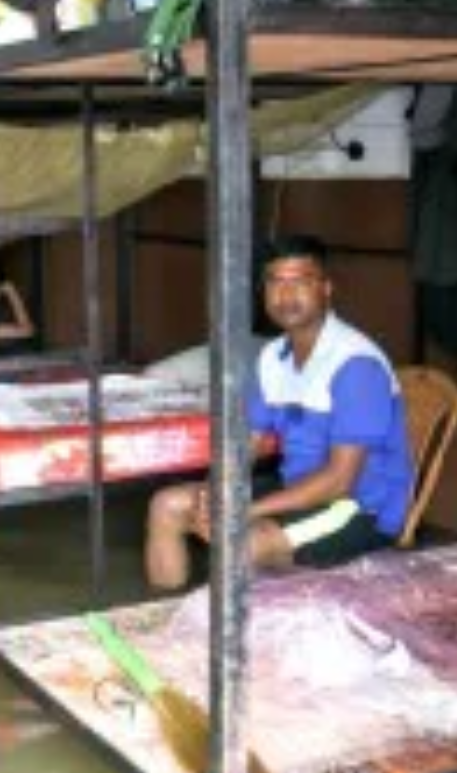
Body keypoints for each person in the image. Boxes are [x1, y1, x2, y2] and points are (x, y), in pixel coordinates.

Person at [144, 235, 414, 590]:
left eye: (300, 281)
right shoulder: (274, 357)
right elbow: (251, 442)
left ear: (326, 289)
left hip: (359, 508)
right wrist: (220, 489)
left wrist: (243, 511)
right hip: (297, 485)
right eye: (275, 282)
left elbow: (338, 481)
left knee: (239, 544)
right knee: (168, 504)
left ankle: (227, 641)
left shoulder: (355, 365)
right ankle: (160, 620)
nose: (286, 296)